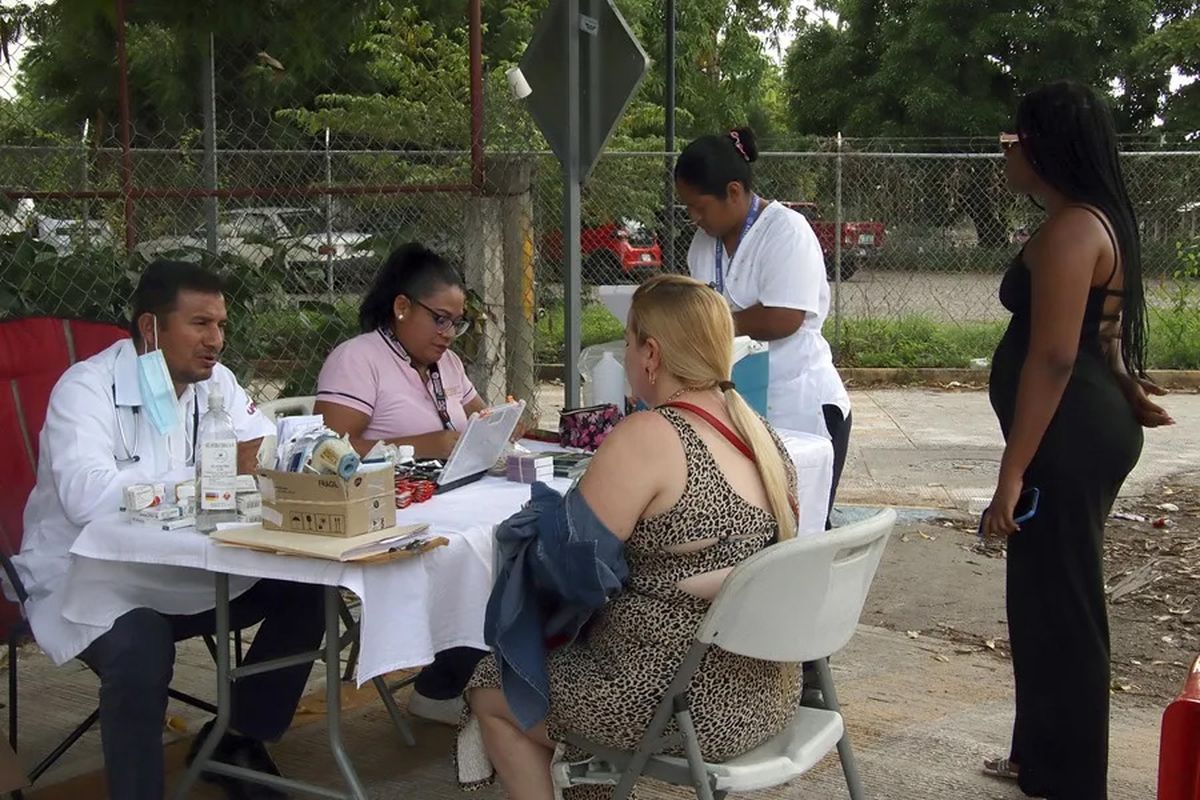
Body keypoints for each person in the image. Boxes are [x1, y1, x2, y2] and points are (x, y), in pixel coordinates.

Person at [464, 274, 803, 800]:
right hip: (765, 696)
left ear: (651, 354)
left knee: (490, 685)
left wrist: (534, 523)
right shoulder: (761, 434)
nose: (623, 356)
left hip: (675, 703)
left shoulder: (651, 435)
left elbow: (568, 567)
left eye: (626, 342)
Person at [13, 260, 326, 800]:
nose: (216, 341)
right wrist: (209, 474)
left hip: (190, 566)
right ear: (150, 327)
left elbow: (265, 451)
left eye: (221, 325)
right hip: (93, 578)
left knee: (311, 584)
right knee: (140, 645)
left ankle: (237, 739)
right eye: (200, 324)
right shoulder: (86, 389)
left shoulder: (217, 384)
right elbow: (87, 498)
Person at [981, 81, 1174, 800]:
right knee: (1042, 598)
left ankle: (1070, 777)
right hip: (1081, 424)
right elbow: (1106, 334)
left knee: (1062, 604)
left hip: (1064, 437)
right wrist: (1127, 388)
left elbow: (1056, 356)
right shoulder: (1097, 220)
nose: (1006, 151)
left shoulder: (1071, 230)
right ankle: (1038, 756)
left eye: (1013, 138)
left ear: (1043, 147)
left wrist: (1012, 474)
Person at [314, 242, 487, 724]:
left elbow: (478, 418)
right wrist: (431, 443)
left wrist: (501, 423)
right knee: (481, 547)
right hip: (389, 509)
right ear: (402, 306)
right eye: (440, 319)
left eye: (457, 322)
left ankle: (470, 674)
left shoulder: (446, 363)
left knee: (512, 534)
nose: (448, 333)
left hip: (448, 497)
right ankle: (446, 682)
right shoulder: (359, 358)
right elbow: (328, 449)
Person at [676, 126, 850, 526]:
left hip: (800, 406)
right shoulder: (703, 244)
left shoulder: (787, 231)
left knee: (799, 533)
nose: (694, 217)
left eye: (699, 206)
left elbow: (782, 318)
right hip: (741, 409)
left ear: (734, 192)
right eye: (687, 208)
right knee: (752, 530)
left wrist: (707, 324)